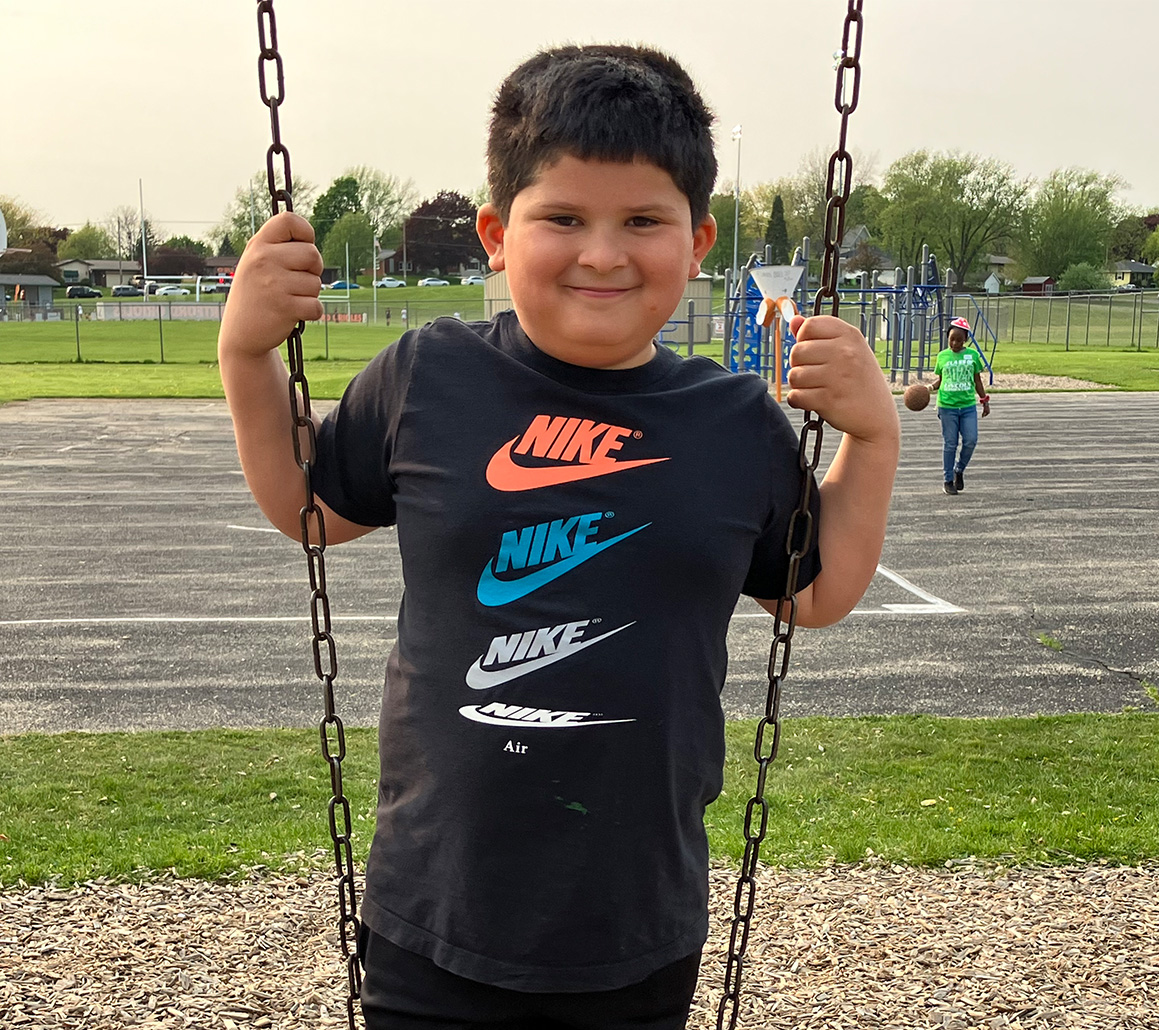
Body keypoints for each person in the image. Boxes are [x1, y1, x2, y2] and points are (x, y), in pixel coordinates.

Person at [218, 44, 899, 1030]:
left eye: (643, 221)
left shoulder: (733, 419)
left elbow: (817, 590)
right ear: (498, 232)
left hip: (632, 914)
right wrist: (245, 353)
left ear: (698, 239)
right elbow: (309, 506)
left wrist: (872, 436)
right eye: (564, 218)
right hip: (438, 903)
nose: (603, 253)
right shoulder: (428, 376)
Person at [929, 316, 989, 495]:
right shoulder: (942, 356)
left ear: (966, 340)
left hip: (968, 406)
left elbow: (977, 380)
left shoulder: (972, 356)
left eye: (959, 340)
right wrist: (930, 388)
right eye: (951, 339)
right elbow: (941, 380)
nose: (954, 343)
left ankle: (959, 469)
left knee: (971, 440)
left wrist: (984, 400)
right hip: (947, 406)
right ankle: (948, 480)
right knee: (950, 444)